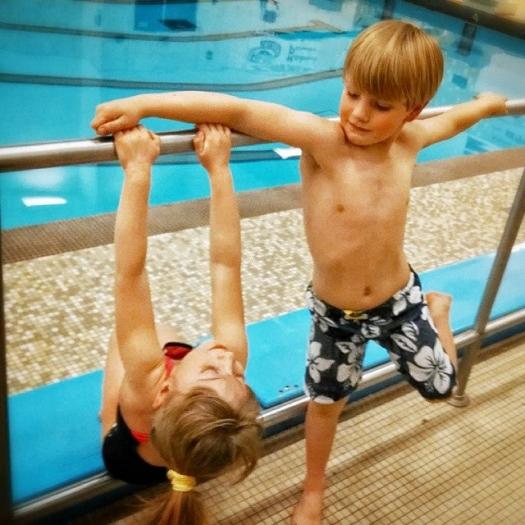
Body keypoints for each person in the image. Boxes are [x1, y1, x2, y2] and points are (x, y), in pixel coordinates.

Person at [91, 20, 508, 524]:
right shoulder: (322, 140)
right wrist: (145, 105)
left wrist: (489, 105)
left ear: (411, 111)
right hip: (335, 318)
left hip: (400, 302)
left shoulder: (409, 142)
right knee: (326, 402)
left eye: (380, 106)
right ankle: (313, 489)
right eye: (352, 94)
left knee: (441, 388)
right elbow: (237, 110)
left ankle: (436, 310)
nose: (358, 113)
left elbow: (457, 119)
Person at [99, 123, 261, 525]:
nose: (226, 358)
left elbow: (130, 274)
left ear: (165, 390)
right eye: (238, 374)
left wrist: (138, 171)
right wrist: (220, 170)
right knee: (167, 337)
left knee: (126, 346)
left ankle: (108, 418)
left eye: (212, 371)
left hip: (127, 458)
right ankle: (184, 462)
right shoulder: (226, 366)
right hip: (185, 452)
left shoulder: (146, 379)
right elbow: (226, 266)